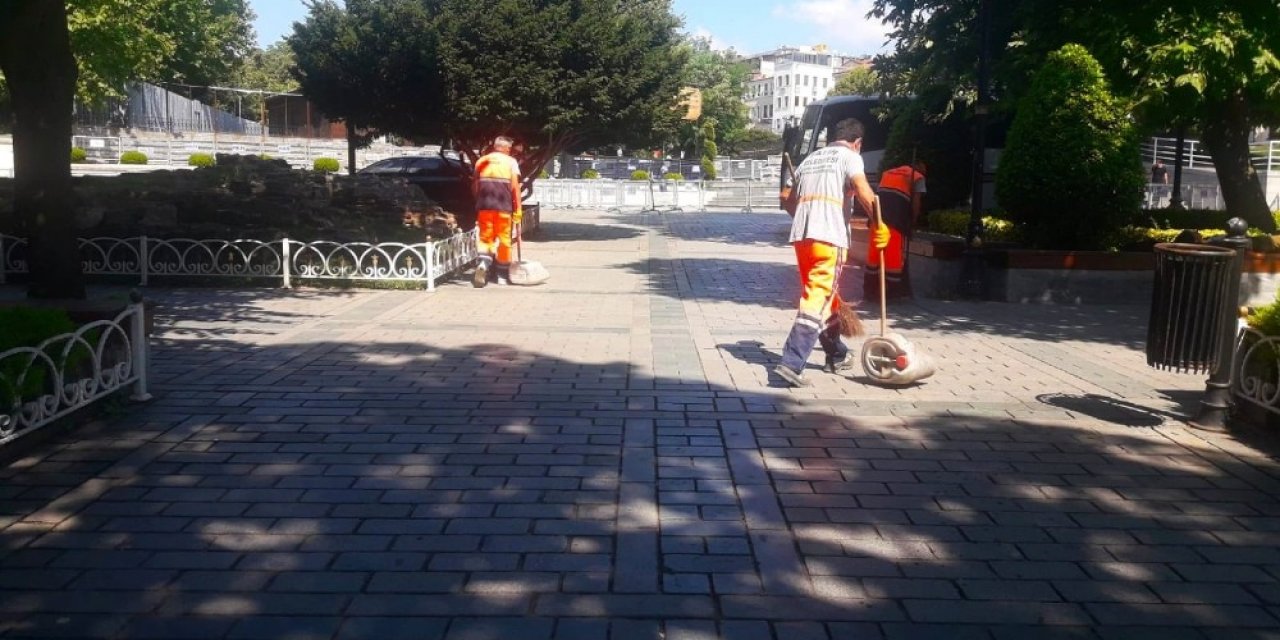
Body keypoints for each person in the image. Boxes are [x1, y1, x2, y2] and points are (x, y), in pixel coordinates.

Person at [775, 117, 890, 388]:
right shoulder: (849, 157)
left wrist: (807, 213)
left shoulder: (810, 160)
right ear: (857, 143)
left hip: (803, 238)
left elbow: (788, 202)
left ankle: (836, 354)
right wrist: (879, 222)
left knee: (826, 296)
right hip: (829, 236)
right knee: (818, 297)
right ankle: (792, 362)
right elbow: (863, 191)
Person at [866, 160, 927, 299]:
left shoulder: (888, 173)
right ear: (918, 167)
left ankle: (869, 290)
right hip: (896, 220)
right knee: (894, 256)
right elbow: (916, 202)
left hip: (877, 217)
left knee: (874, 254)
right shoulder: (918, 177)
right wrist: (913, 220)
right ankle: (892, 293)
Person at [472, 136, 523, 287]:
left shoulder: (481, 161)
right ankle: (501, 275)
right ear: (506, 148)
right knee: (504, 240)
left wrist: (479, 201)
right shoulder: (511, 162)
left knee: (485, 237)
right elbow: (515, 187)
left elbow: (475, 185)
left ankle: (483, 264)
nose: (510, 151)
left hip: (484, 207)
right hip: (503, 209)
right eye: (509, 148)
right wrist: (518, 210)